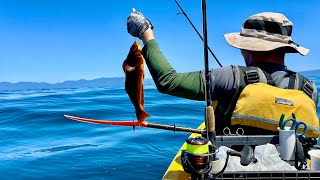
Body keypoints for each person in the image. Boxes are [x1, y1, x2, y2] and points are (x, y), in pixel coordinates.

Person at [126, 9, 319, 136]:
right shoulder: (309, 89)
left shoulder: (229, 78)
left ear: (246, 47)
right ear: (285, 49)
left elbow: (168, 81)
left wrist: (146, 33)